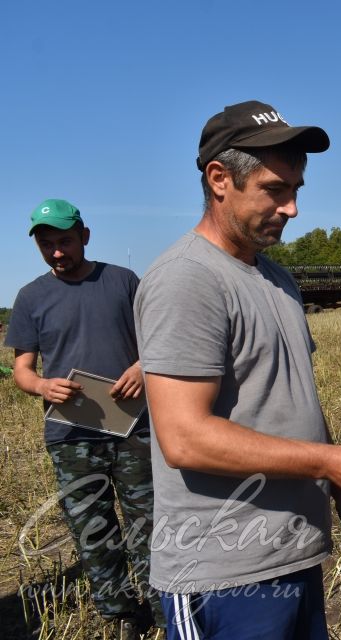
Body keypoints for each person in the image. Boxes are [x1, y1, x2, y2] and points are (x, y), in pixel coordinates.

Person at [133, 100, 341, 640]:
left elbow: (297, 401)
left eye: (296, 190)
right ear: (219, 179)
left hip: (290, 552)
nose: (292, 208)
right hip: (221, 571)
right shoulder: (186, 280)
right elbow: (184, 438)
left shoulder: (277, 279)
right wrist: (333, 464)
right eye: (275, 190)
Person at [5, 199, 163, 638]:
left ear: (85, 236)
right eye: (47, 244)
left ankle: (164, 606)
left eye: (65, 241)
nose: (57, 252)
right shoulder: (31, 297)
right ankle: (123, 613)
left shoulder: (122, 281)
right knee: (93, 531)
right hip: (70, 433)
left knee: (148, 522)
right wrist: (42, 386)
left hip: (133, 427)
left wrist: (141, 367)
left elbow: (158, 338)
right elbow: (22, 370)